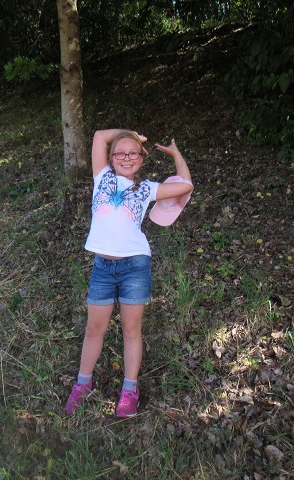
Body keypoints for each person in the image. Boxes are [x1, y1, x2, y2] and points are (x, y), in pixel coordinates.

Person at [65, 128, 193, 417]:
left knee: (131, 329)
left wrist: (176, 155)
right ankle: (83, 383)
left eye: (132, 153)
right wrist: (130, 134)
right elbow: (99, 136)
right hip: (102, 267)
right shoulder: (102, 177)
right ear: (111, 158)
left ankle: (129, 390)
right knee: (94, 328)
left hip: (134, 266)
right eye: (120, 153)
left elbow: (185, 185)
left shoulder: (146, 188)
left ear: (141, 158)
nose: (126, 157)